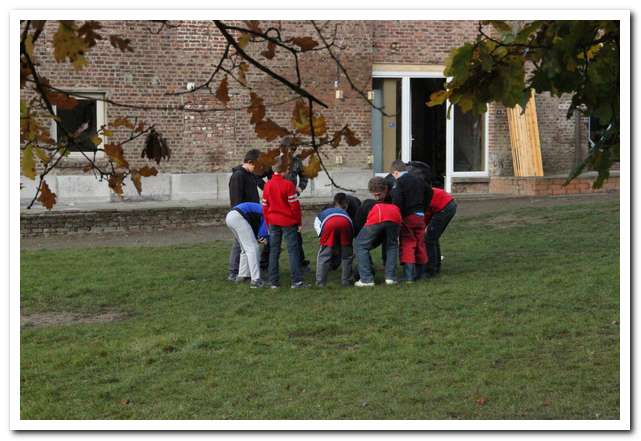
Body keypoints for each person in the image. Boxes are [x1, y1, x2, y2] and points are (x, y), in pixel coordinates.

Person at [262, 155, 307, 289]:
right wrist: (298, 222)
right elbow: (294, 206)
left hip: (273, 222)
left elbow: (265, 206)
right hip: (288, 222)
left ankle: (273, 281)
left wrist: (267, 222)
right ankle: (296, 281)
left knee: (274, 251)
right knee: (293, 251)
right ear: (284, 169)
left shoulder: (268, 185)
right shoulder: (288, 185)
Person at [353, 177, 402, 287]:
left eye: (379, 194)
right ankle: (391, 278)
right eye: (375, 195)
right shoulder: (393, 188)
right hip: (396, 214)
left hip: (381, 214)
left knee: (360, 245)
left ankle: (366, 279)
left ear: (385, 189)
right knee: (392, 246)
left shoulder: (393, 192)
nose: (377, 197)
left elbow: (358, 227)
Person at [227, 149, 262, 282]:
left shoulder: (250, 175)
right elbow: (236, 200)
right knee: (246, 246)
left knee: (243, 246)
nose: (258, 169)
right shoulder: (238, 176)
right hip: (241, 215)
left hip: (249, 214)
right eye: (256, 165)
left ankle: (242, 274)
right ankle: (236, 272)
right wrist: (244, 217)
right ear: (249, 162)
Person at [390, 160, 427, 282]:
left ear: (395, 172)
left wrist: (397, 216)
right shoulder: (418, 180)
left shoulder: (399, 183)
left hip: (408, 217)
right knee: (420, 243)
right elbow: (429, 192)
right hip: (420, 215)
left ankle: (409, 275)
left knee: (408, 244)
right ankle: (421, 273)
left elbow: (397, 201)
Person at [314, 193, 354, 287]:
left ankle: (320, 283)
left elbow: (317, 225)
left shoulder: (323, 213)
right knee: (347, 256)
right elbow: (351, 228)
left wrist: (323, 238)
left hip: (329, 224)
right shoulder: (345, 212)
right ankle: (346, 281)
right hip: (346, 222)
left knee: (324, 256)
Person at [225, 202, 268, 289]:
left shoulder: (263, 207)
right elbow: (264, 224)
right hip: (238, 217)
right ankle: (256, 280)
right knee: (253, 248)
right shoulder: (268, 211)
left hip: (230, 217)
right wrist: (262, 236)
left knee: (244, 248)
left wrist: (260, 236)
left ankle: (242, 275)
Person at [424, 187, 457, 277]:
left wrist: (424, 227)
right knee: (433, 237)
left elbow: (425, 214)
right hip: (448, 204)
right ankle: (436, 266)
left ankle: (430, 270)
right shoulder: (418, 192)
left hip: (444, 207)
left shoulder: (417, 197)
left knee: (429, 239)